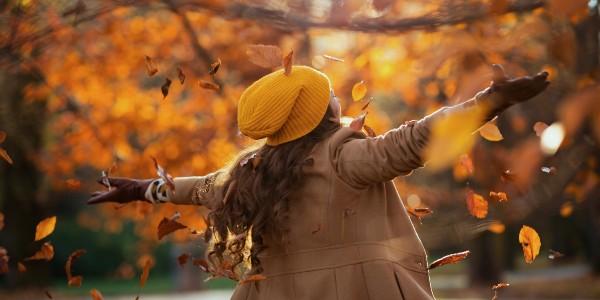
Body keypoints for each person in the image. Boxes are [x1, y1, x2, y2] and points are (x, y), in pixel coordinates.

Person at [88, 64, 549, 299]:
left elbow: (202, 187)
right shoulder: (347, 158)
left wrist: (141, 190)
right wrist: (491, 101)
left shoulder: (253, 174)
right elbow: (416, 140)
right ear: (321, 113)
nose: (336, 97)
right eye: (329, 94)